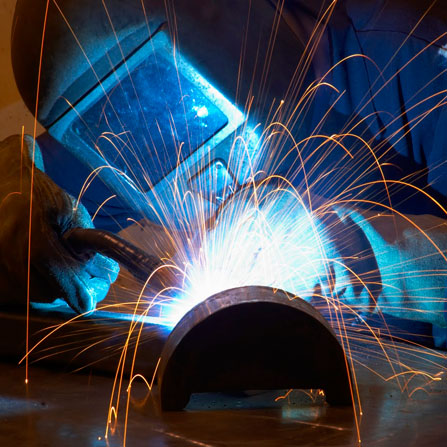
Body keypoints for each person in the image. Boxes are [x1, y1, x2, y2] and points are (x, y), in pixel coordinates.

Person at [2, 0, 446, 346]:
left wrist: (333, 255)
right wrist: (11, 186)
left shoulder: (414, 49)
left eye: (177, 100)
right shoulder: (121, 132)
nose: (171, 141)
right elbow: (36, 194)